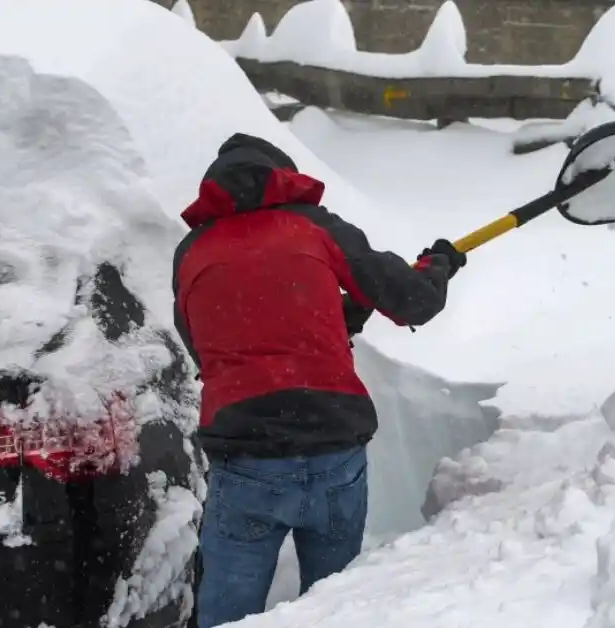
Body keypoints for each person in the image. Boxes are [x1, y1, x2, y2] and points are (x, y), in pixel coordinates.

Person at [172, 133, 466, 628]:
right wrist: (436, 267)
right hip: (332, 446)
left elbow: (206, 341)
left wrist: (334, 318)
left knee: (225, 614)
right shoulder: (314, 227)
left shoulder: (193, 251)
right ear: (282, 177)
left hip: (246, 458)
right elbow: (412, 300)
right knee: (335, 609)